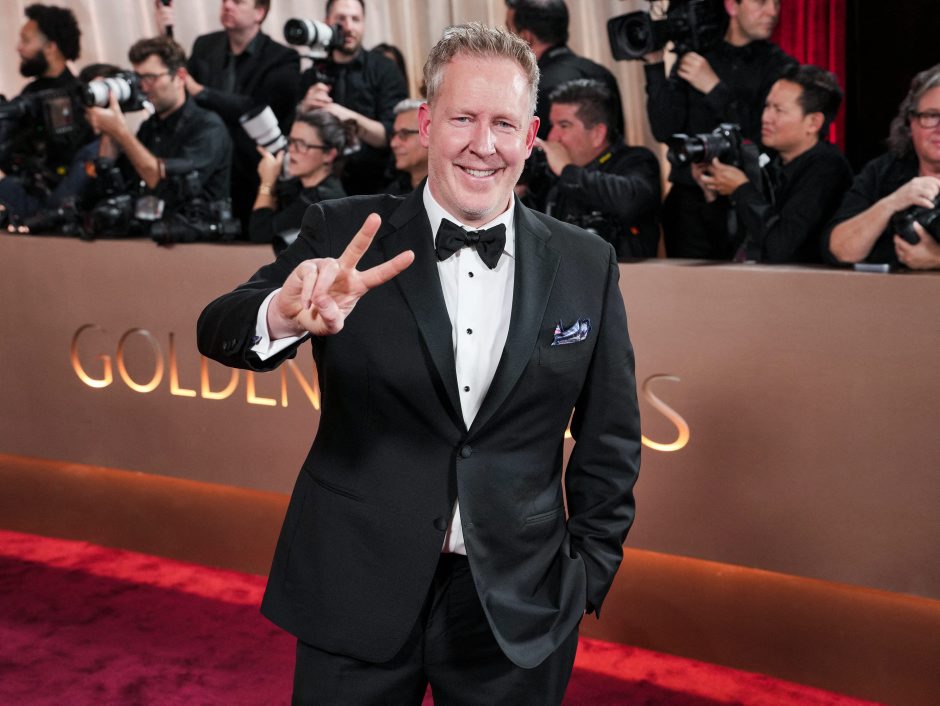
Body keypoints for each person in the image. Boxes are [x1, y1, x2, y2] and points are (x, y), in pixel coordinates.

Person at [197, 22, 640, 704]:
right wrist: (283, 313)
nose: (482, 144)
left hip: (518, 606)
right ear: (429, 123)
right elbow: (217, 326)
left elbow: (610, 438)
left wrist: (586, 574)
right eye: (463, 118)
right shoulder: (343, 230)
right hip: (355, 584)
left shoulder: (587, 262)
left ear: (530, 137)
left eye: (503, 124)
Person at [644, 0, 796, 258]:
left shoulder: (780, 66)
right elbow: (663, 129)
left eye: (776, 3)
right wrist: (654, 65)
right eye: (761, 2)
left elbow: (764, 137)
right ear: (732, 6)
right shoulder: (696, 55)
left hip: (748, 198)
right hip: (689, 203)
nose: (772, 11)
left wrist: (714, 88)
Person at [156, 0, 300, 232]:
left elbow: (259, 108)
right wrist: (166, 38)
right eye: (225, 1)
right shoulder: (205, 45)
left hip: (254, 170)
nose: (227, 6)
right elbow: (182, 92)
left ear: (259, 12)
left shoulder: (283, 57)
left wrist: (202, 92)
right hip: (209, 167)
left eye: (238, 2)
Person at [690, 65, 853, 263]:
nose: (766, 118)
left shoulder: (827, 168)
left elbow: (782, 247)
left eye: (779, 110)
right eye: (767, 106)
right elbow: (729, 247)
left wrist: (741, 189)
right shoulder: (769, 161)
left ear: (813, 122)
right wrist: (712, 195)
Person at [85, 37, 232, 211]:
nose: (143, 87)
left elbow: (167, 188)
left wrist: (121, 132)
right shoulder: (149, 127)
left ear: (180, 77)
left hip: (194, 224)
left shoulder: (208, 127)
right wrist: (110, 130)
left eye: (150, 78)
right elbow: (114, 186)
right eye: (138, 78)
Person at [825, 64, 940, 270]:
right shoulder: (883, 171)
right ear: (911, 122)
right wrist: (892, 203)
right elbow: (841, 250)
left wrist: (937, 259)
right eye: (931, 116)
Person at [540, 79, 661, 259]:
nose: (552, 136)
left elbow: (629, 201)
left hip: (626, 275)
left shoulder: (636, 161)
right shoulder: (549, 170)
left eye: (564, 125)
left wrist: (567, 171)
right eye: (552, 125)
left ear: (597, 134)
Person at [298, 0, 408, 195]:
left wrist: (345, 116)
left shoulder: (384, 69)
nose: (348, 27)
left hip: (376, 186)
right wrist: (304, 109)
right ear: (327, 22)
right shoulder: (312, 75)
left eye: (355, 19)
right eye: (341, 19)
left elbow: (392, 134)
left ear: (364, 23)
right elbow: (294, 138)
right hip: (321, 190)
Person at [0, 4, 97, 220]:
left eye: (26, 40)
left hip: (55, 209)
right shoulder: (30, 93)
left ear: (51, 47)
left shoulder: (79, 98)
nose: (18, 48)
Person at [505, 0, 624, 141]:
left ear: (526, 37)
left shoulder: (532, 87)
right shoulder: (603, 74)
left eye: (509, 31)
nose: (507, 39)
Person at [249, 110, 347, 251]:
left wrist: (267, 181)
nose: (291, 150)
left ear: (329, 155)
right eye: (291, 141)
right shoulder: (300, 188)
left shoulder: (321, 200)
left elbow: (260, 232)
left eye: (302, 144)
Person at [384, 98, 428, 194]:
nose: (393, 144)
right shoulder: (393, 194)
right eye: (394, 134)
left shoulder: (455, 192)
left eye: (404, 134)